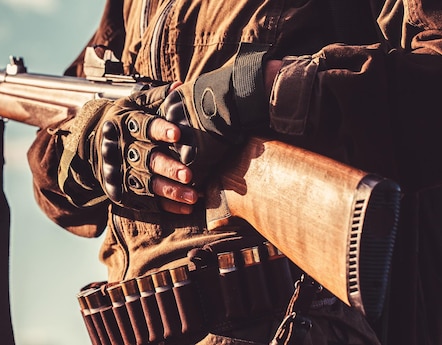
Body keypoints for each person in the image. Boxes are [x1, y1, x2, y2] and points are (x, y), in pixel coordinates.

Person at [27, 0, 442, 344]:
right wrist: (87, 150)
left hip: (296, 322)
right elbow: (52, 188)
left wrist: (262, 92)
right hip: (141, 323)